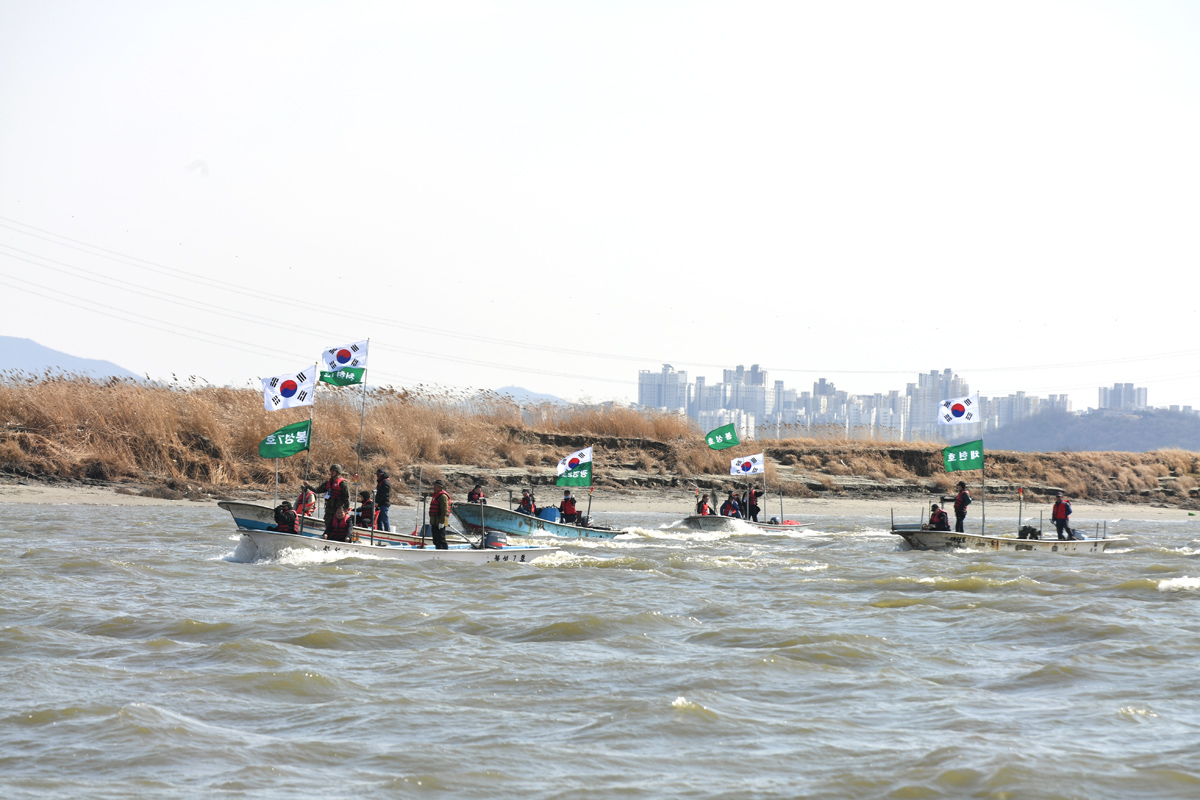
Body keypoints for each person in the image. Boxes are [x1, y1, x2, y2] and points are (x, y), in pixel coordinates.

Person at [311, 464, 350, 532]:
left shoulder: (342, 483)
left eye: (333, 471)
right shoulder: (328, 482)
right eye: (331, 471)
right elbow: (317, 490)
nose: (331, 472)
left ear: (337, 472)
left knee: (338, 523)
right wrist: (308, 486)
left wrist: (345, 509)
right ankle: (327, 534)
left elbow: (347, 497)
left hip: (338, 508)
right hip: (329, 508)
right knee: (327, 521)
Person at [428, 479, 451, 549]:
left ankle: (444, 551)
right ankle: (437, 551)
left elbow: (444, 510)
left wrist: (442, 522)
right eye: (434, 486)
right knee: (435, 540)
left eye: (436, 486)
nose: (434, 487)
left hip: (440, 522)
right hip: (434, 522)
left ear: (440, 487)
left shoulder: (443, 496)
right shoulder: (435, 495)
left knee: (441, 539)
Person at [374, 469, 392, 533]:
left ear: (381, 475)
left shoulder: (385, 482)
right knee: (379, 519)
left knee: (384, 518)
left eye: (378, 475)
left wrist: (377, 502)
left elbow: (382, 494)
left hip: (384, 503)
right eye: (377, 474)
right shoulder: (381, 482)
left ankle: (387, 531)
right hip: (380, 503)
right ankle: (380, 531)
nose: (377, 476)